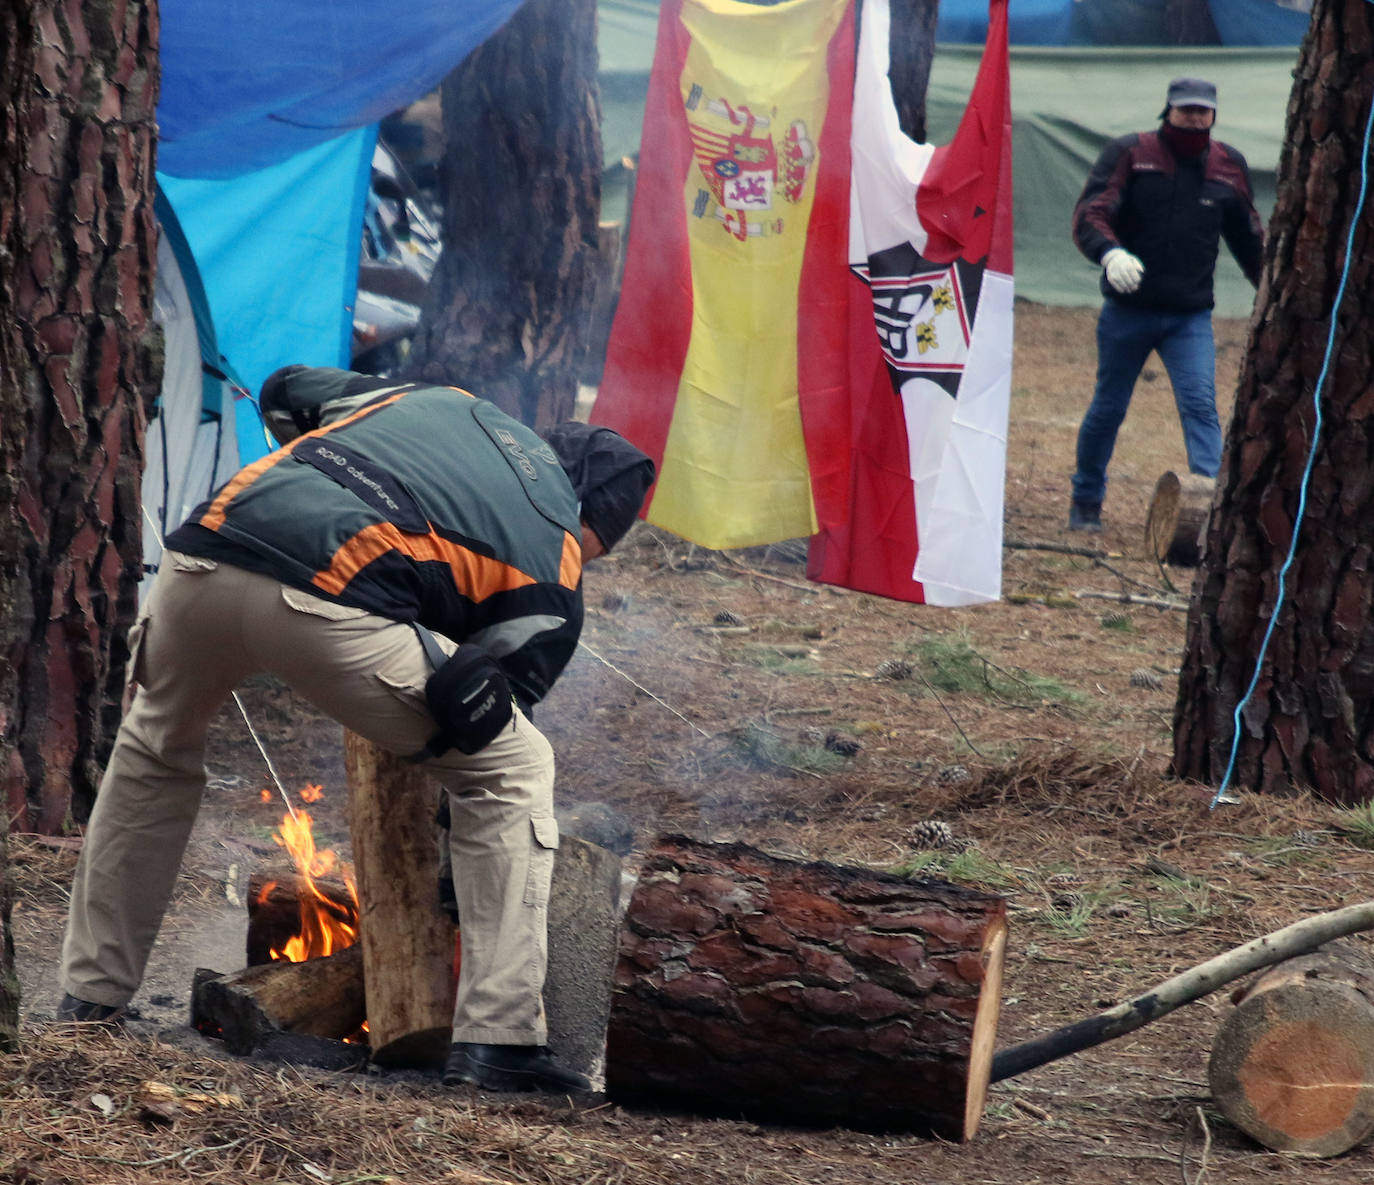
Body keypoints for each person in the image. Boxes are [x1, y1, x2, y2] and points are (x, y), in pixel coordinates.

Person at [57, 366, 655, 1096]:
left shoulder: (431, 399)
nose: (590, 558)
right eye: (601, 544)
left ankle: (89, 996)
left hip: (202, 555)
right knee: (515, 770)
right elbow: (483, 734)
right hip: (326, 602)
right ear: (591, 519)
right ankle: (499, 1039)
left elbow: (282, 390)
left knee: (154, 751)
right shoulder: (556, 559)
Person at [1067, 76, 1264, 532]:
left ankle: (1212, 513)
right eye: (1185, 109)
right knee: (1109, 408)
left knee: (1200, 407)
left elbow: (1249, 239)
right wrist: (1109, 252)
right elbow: (1091, 213)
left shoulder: (1228, 165)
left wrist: (1273, 290)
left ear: (1214, 115)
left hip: (1189, 316)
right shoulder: (1130, 154)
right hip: (1127, 312)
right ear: (1168, 110)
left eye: (1202, 110)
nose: (1194, 117)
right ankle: (1086, 502)